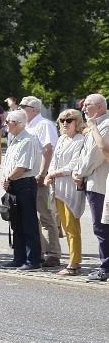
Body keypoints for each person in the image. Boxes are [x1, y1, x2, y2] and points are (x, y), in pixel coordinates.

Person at [19, 96, 62, 267]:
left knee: (45, 215)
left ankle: (53, 253)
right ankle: (40, 251)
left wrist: (43, 173)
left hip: (40, 177)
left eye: (23, 106)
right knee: (32, 216)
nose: (20, 109)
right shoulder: (27, 126)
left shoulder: (44, 124)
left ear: (34, 109)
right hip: (28, 176)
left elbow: (49, 149)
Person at [72, 93, 109, 282]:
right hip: (93, 180)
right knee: (100, 226)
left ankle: (106, 267)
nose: (84, 108)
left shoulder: (105, 125)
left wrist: (80, 173)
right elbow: (84, 153)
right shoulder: (95, 125)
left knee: (101, 227)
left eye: (87, 105)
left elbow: (96, 155)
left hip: (100, 183)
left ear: (99, 107)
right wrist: (78, 171)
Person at [45, 109, 86, 276]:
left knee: (71, 226)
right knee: (62, 224)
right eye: (62, 120)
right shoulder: (62, 139)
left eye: (68, 120)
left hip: (70, 187)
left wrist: (53, 173)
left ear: (76, 122)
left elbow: (74, 165)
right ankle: (71, 259)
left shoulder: (80, 140)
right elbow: (54, 161)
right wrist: (50, 174)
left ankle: (74, 263)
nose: (64, 123)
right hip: (58, 187)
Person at [0, 109, 43, 269]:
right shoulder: (15, 140)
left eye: (8, 122)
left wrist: (9, 178)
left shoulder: (27, 140)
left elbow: (22, 166)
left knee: (28, 223)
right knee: (16, 222)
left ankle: (33, 260)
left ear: (17, 124)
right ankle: (18, 257)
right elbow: (9, 164)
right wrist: (5, 178)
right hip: (14, 184)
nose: (5, 125)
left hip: (24, 184)